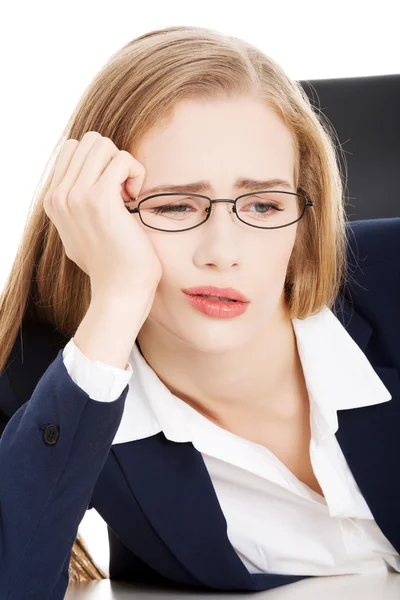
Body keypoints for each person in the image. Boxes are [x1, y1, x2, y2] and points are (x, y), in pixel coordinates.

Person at [0, 25, 399, 599]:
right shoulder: (58, 382)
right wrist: (117, 297)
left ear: (305, 211)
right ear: (97, 215)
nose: (222, 253)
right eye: (174, 205)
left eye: (263, 204)